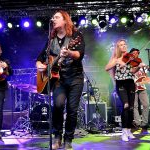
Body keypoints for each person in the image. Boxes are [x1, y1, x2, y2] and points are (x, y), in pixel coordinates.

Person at [36, 10, 85, 149]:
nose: (53, 19)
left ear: (65, 20)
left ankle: (68, 139)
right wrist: (40, 65)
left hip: (75, 77)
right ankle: (57, 136)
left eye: (56, 17)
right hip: (58, 80)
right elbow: (40, 58)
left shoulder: (76, 36)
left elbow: (79, 54)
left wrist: (69, 53)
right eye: (53, 17)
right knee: (57, 106)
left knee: (72, 110)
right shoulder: (51, 39)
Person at [105, 40, 144, 142]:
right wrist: (118, 62)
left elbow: (132, 71)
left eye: (125, 44)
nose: (124, 46)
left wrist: (138, 67)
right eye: (121, 45)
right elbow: (107, 68)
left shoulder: (131, 58)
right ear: (118, 47)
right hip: (121, 83)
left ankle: (128, 130)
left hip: (130, 83)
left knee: (131, 108)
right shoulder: (116, 58)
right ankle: (123, 131)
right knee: (126, 105)